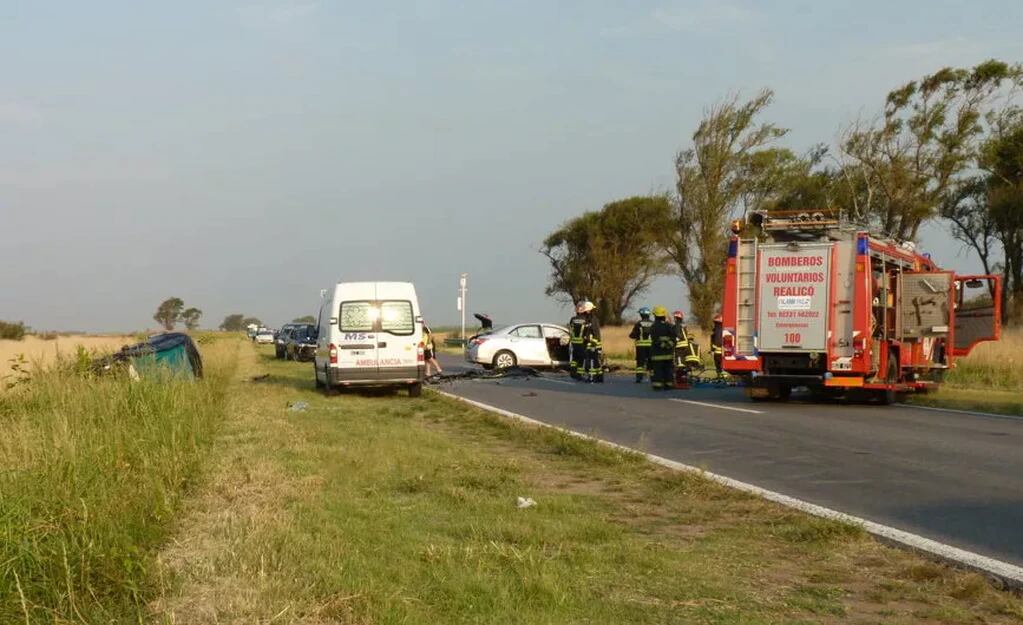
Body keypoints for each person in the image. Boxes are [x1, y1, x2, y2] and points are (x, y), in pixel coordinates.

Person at [649, 307, 677, 390]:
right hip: (668, 354)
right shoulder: (669, 326)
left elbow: (655, 339)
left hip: (657, 354)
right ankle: (669, 385)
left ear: (655, 316)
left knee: (658, 370)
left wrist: (662, 346)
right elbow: (674, 338)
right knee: (668, 370)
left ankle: (657, 385)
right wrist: (668, 346)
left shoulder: (654, 327)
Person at [580, 301, 604, 383]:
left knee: (591, 361)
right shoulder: (588, 319)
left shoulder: (592, 319)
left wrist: (594, 342)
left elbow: (595, 332)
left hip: (593, 343)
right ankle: (599, 377)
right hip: (590, 343)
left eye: (585, 310)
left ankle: (592, 377)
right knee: (595, 360)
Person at [628, 307, 654, 383]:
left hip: (640, 346)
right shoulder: (653, 323)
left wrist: (634, 336)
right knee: (651, 362)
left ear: (641, 315)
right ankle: (653, 377)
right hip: (651, 346)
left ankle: (639, 378)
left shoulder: (638, 324)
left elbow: (632, 335)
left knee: (640, 362)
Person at [568, 301, 587, 380]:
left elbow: (570, 329)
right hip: (582, 342)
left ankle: (573, 372)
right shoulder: (585, 319)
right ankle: (579, 374)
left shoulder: (573, 319)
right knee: (581, 359)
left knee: (574, 359)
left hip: (574, 342)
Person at [711, 314, 724, 378]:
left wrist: (713, 350)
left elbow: (717, 340)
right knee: (720, 365)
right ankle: (721, 376)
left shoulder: (718, 329)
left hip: (717, 352)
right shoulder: (721, 328)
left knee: (718, 365)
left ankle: (720, 377)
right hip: (720, 351)